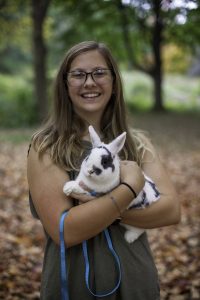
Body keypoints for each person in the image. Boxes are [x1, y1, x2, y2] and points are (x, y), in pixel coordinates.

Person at [27, 41, 180, 300]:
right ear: (65, 84)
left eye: (99, 72)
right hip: (75, 284)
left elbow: (171, 210)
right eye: (78, 74)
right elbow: (65, 231)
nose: (89, 82)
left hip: (136, 279)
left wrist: (100, 207)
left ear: (113, 81)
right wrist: (130, 188)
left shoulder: (138, 143)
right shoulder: (46, 147)